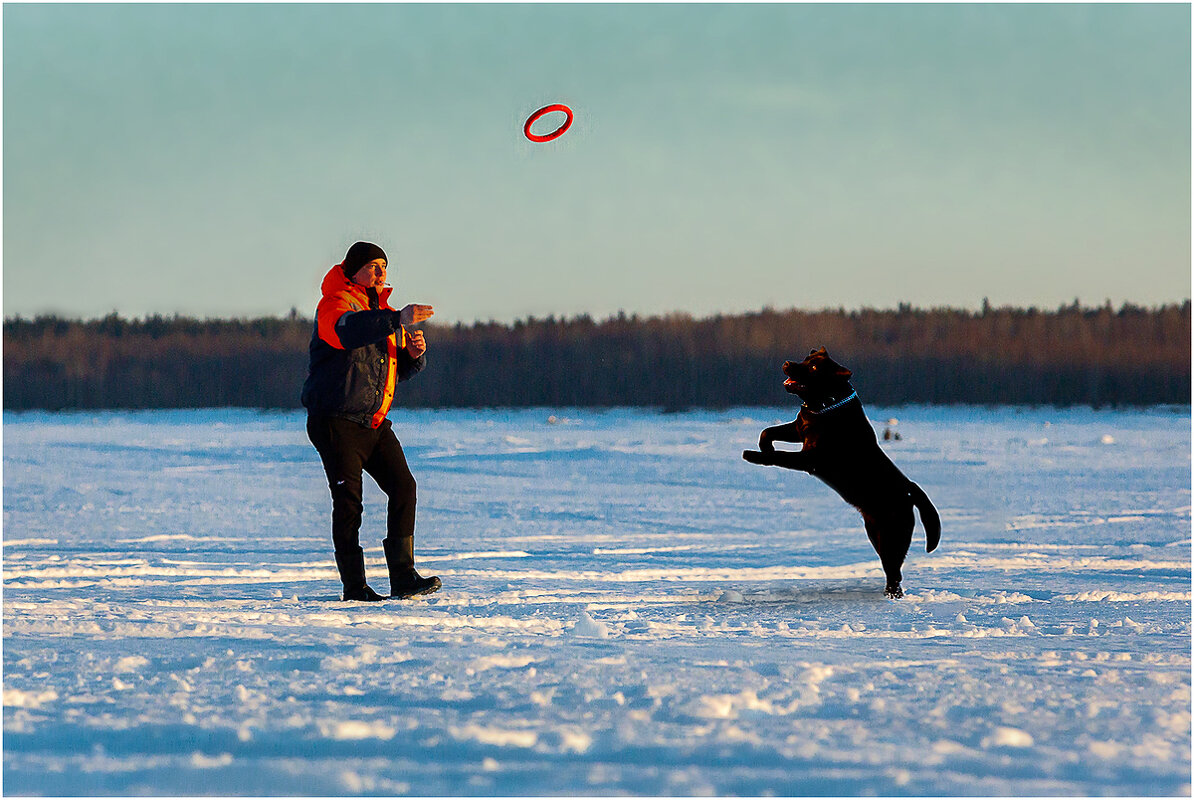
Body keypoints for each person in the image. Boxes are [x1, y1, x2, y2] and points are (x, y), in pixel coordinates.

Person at [301, 241, 441, 602]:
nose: (380, 273)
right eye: (373, 266)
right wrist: (396, 320)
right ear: (353, 270)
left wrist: (412, 356)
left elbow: (387, 372)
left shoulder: (386, 314)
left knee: (404, 488)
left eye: (384, 266)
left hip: (373, 423)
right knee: (349, 502)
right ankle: (355, 587)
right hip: (335, 420)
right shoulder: (335, 305)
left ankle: (403, 576)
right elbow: (348, 332)